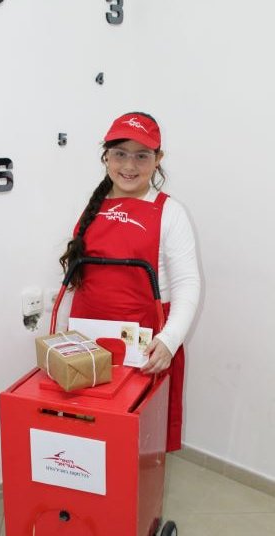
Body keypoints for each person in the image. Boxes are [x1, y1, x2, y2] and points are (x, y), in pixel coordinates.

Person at [59, 111, 200, 451]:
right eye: (120, 153)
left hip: (144, 346)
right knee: (89, 436)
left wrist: (169, 340)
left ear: (158, 159)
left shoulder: (170, 212)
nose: (129, 165)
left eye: (141, 156)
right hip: (88, 342)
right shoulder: (91, 206)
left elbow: (187, 284)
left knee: (137, 443)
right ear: (106, 156)